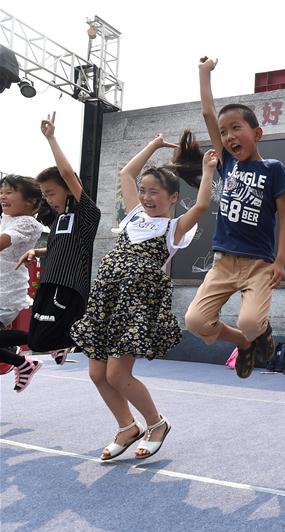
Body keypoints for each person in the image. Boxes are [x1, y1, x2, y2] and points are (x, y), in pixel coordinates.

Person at [70, 133, 212, 460]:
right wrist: (154, 145)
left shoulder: (173, 228)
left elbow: (203, 205)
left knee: (117, 374)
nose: (147, 197)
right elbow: (125, 175)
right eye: (144, 191)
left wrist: (207, 171)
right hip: (107, 299)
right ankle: (126, 426)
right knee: (96, 373)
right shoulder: (134, 216)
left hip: (136, 303)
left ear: (173, 197)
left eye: (155, 193)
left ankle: (156, 423)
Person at [184, 56, 285, 378]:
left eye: (237, 128)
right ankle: (244, 344)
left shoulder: (272, 169)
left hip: (259, 265)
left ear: (257, 133)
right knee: (196, 321)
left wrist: (280, 261)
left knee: (250, 322)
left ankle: (254, 332)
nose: (230, 136)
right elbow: (207, 112)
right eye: (224, 132)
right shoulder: (227, 164)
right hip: (223, 263)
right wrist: (203, 73)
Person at [17, 112, 101, 367]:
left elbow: (66, 172)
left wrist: (51, 138)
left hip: (68, 286)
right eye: (45, 194)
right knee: (36, 340)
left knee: (44, 338)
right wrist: (37, 252)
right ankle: (64, 344)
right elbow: (58, 246)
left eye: (51, 192)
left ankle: (87, 336)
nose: (48, 199)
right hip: (48, 282)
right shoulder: (58, 219)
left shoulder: (87, 214)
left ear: (68, 188)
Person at [0, 175, 50, 390]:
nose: (3, 196)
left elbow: (3, 242)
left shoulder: (29, 223)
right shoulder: (6, 217)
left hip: (6, 290)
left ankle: (51, 341)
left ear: (30, 201)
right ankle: (24, 362)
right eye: (2, 192)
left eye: (9, 192)